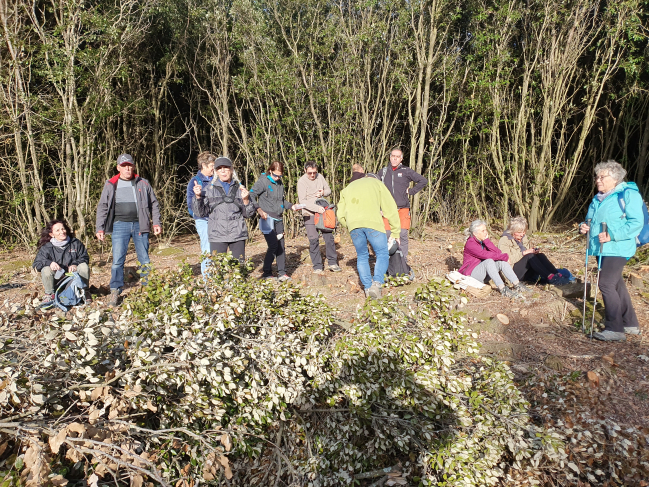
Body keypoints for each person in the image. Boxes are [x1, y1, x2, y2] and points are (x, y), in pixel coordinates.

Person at [579, 160, 643, 342]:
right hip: (600, 248)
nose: (597, 180)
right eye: (596, 177)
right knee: (615, 284)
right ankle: (630, 323)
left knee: (605, 283)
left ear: (615, 179)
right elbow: (589, 220)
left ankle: (615, 328)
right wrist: (583, 227)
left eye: (602, 177)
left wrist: (612, 235)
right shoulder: (598, 198)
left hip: (618, 247)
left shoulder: (627, 195)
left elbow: (636, 223)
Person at [96, 154, 161, 307]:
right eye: (124, 165)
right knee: (117, 260)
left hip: (141, 224)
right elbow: (103, 206)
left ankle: (148, 289)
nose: (127, 168)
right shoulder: (111, 184)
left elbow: (154, 203)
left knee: (144, 259)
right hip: (119, 225)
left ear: (133, 166)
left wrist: (156, 222)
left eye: (130, 165)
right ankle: (115, 290)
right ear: (118, 167)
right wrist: (100, 227)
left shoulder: (143, 183)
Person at [337, 173, 401, 299]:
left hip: (354, 226)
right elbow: (390, 208)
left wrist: (349, 225)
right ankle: (376, 285)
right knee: (382, 253)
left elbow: (340, 215)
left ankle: (367, 287)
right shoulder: (377, 184)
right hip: (373, 224)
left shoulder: (348, 188)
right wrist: (395, 232)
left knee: (362, 255)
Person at [192, 156, 255, 262]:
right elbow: (200, 213)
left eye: (226, 168)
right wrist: (198, 197)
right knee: (218, 270)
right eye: (219, 168)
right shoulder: (208, 190)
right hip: (217, 235)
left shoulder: (241, 189)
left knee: (238, 269)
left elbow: (248, 214)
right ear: (216, 171)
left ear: (231, 169)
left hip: (237, 235)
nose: (223, 171)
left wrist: (246, 200)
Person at [250, 161, 301, 281]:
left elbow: (281, 202)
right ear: (270, 171)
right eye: (275, 175)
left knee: (281, 246)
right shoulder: (263, 181)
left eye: (280, 176)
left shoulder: (280, 183)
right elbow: (251, 194)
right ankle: (267, 272)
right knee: (273, 245)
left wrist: (291, 206)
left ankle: (282, 273)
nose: (278, 178)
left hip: (278, 218)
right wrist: (258, 209)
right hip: (266, 219)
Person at [459, 220, 530, 298]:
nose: (486, 232)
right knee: (489, 261)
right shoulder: (470, 243)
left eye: (486, 230)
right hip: (472, 275)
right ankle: (502, 289)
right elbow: (485, 255)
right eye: (483, 231)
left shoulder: (483, 241)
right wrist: (504, 256)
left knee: (501, 261)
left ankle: (517, 284)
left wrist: (487, 241)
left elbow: (498, 252)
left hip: (484, 274)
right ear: (475, 233)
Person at [379, 148, 427, 261]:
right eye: (393, 156)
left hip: (403, 208)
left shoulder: (406, 171)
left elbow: (423, 180)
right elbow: (376, 189)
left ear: (401, 159)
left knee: (403, 234)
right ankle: (389, 260)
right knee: (387, 234)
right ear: (390, 157)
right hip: (387, 209)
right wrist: (379, 207)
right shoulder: (383, 172)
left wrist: (411, 191)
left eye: (397, 156)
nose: (395, 158)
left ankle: (402, 260)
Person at [498, 216, 571, 285]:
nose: (522, 234)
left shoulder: (524, 238)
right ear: (512, 231)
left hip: (527, 270)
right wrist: (524, 253)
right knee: (530, 256)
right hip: (513, 272)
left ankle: (556, 275)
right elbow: (506, 259)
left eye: (523, 232)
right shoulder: (504, 240)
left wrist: (533, 251)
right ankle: (551, 278)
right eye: (519, 232)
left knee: (540, 256)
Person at [297, 162, 341, 275]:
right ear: (305, 171)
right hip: (309, 213)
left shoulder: (320, 177)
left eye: (314, 172)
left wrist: (324, 192)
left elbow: (328, 190)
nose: (312, 175)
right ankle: (317, 266)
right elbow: (303, 201)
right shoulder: (301, 182)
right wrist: (316, 208)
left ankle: (332, 262)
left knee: (329, 238)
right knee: (313, 240)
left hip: (323, 213)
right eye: (310, 173)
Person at [33, 219, 90, 304]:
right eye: (57, 230)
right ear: (52, 234)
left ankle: (84, 291)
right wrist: (50, 263)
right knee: (46, 269)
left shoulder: (75, 243)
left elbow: (85, 257)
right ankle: (49, 294)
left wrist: (75, 264)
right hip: (56, 279)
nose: (62, 232)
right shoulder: (46, 248)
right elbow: (36, 264)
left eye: (63, 229)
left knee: (84, 266)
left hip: (74, 278)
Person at [187, 151, 216, 275]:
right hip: (202, 220)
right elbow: (190, 205)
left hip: (217, 219)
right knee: (207, 249)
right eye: (211, 167)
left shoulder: (217, 179)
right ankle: (208, 281)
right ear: (203, 165)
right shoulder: (195, 182)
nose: (214, 169)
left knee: (219, 249)